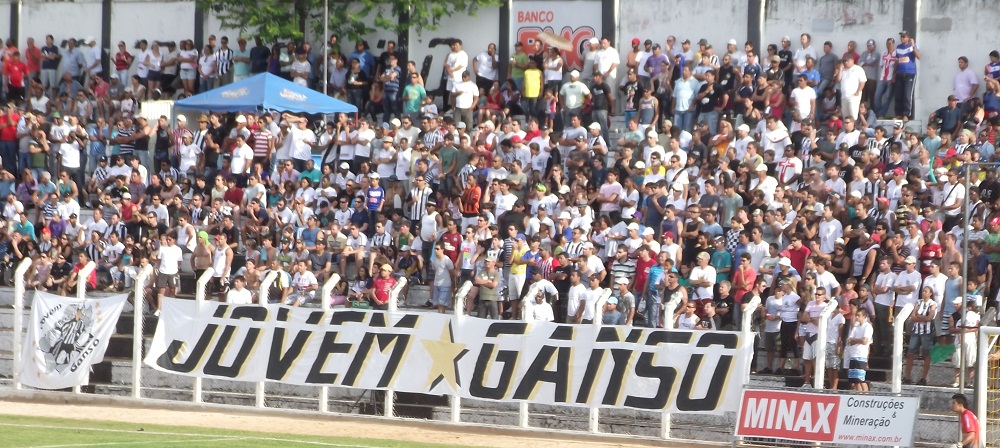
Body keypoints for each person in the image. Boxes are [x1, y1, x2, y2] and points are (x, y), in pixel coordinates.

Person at [845, 307, 873, 392]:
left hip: (861, 355)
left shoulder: (868, 327)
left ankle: (866, 396)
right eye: (856, 315)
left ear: (864, 316)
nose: (857, 317)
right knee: (855, 380)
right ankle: (859, 395)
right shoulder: (856, 326)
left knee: (861, 379)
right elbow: (849, 340)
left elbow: (864, 341)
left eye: (859, 315)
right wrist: (857, 340)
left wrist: (855, 340)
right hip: (853, 355)